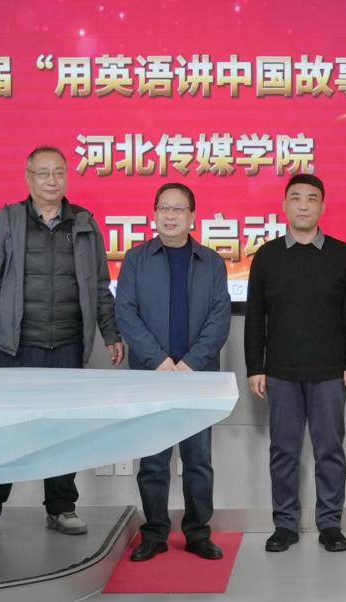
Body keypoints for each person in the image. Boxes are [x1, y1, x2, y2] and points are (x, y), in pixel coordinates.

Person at [0, 146, 125, 541]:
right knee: (5, 432)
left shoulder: (84, 222)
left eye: (58, 173)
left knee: (63, 433)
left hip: (67, 344)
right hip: (18, 345)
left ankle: (61, 508)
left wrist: (111, 333)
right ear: (28, 177)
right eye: (43, 173)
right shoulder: (8, 219)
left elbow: (99, 285)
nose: (52, 181)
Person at [244, 173, 346, 553]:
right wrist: (255, 367)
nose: (302, 205)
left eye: (311, 199)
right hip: (281, 372)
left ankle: (330, 524)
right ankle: (285, 524)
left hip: (329, 372)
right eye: (295, 198)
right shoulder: (267, 256)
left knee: (330, 450)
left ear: (322, 207)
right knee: (283, 451)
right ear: (284, 205)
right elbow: (255, 316)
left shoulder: (340, 255)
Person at [114, 183, 231, 562]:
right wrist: (159, 362)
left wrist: (190, 363)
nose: (170, 215)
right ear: (154, 214)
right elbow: (125, 313)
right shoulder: (136, 259)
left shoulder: (212, 262)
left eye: (178, 209)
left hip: (198, 378)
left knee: (198, 461)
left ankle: (198, 533)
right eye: (164, 208)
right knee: (153, 461)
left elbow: (219, 319)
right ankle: (155, 534)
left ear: (192, 216)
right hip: (152, 377)